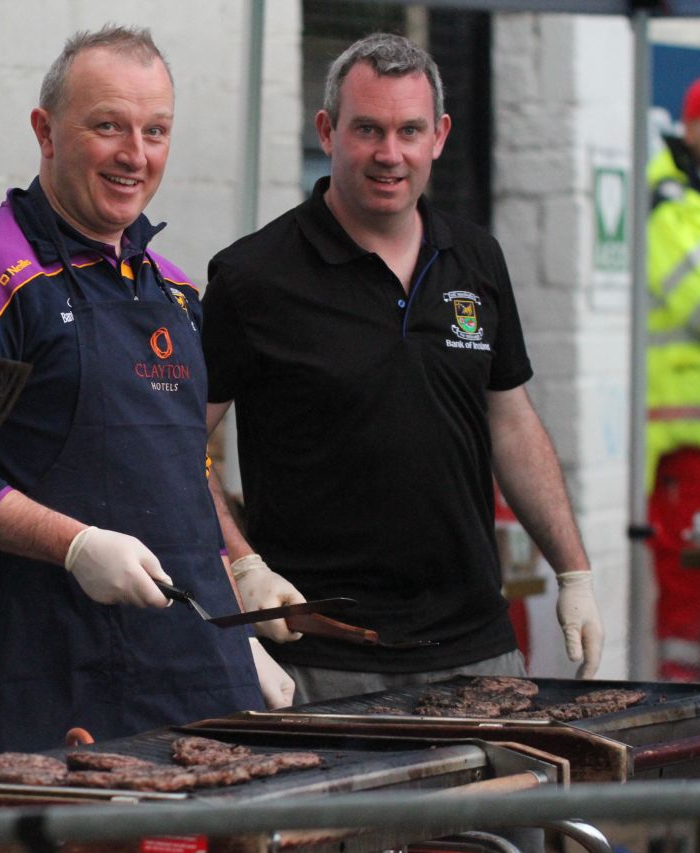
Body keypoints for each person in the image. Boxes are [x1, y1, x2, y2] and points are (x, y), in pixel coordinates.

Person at [0, 25, 291, 763]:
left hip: (192, 666)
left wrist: (239, 580)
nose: (135, 154)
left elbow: (181, 462)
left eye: (155, 131)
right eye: (108, 126)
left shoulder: (171, 288)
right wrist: (74, 545)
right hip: (41, 668)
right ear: (45, 132)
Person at [201, 32, 606, 705]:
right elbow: (181, 443)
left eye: (409, 130)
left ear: (440, 136)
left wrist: (574, 571)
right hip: (325, 654)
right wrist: (239, 564)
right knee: (352, 819)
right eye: (368, 129)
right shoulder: (253, 278)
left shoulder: (475, 257)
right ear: (327, 130)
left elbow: (510, 420)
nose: (390, 154)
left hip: (481, 644)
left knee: (501, 816)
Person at [646, 72, 700, 681]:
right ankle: (688, 738)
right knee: (695, 604)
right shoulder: (672, 203)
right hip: (693, 450)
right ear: (694, 127)